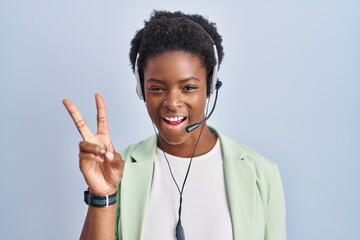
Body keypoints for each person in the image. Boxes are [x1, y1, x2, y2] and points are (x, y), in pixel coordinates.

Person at [63, 10, 286, 240]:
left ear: (210, 86)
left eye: (188, 87)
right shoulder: (118, 172)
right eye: (157, 88)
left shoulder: (262, 174)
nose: (172, 103)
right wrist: (103, 195)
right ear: (141, 90)